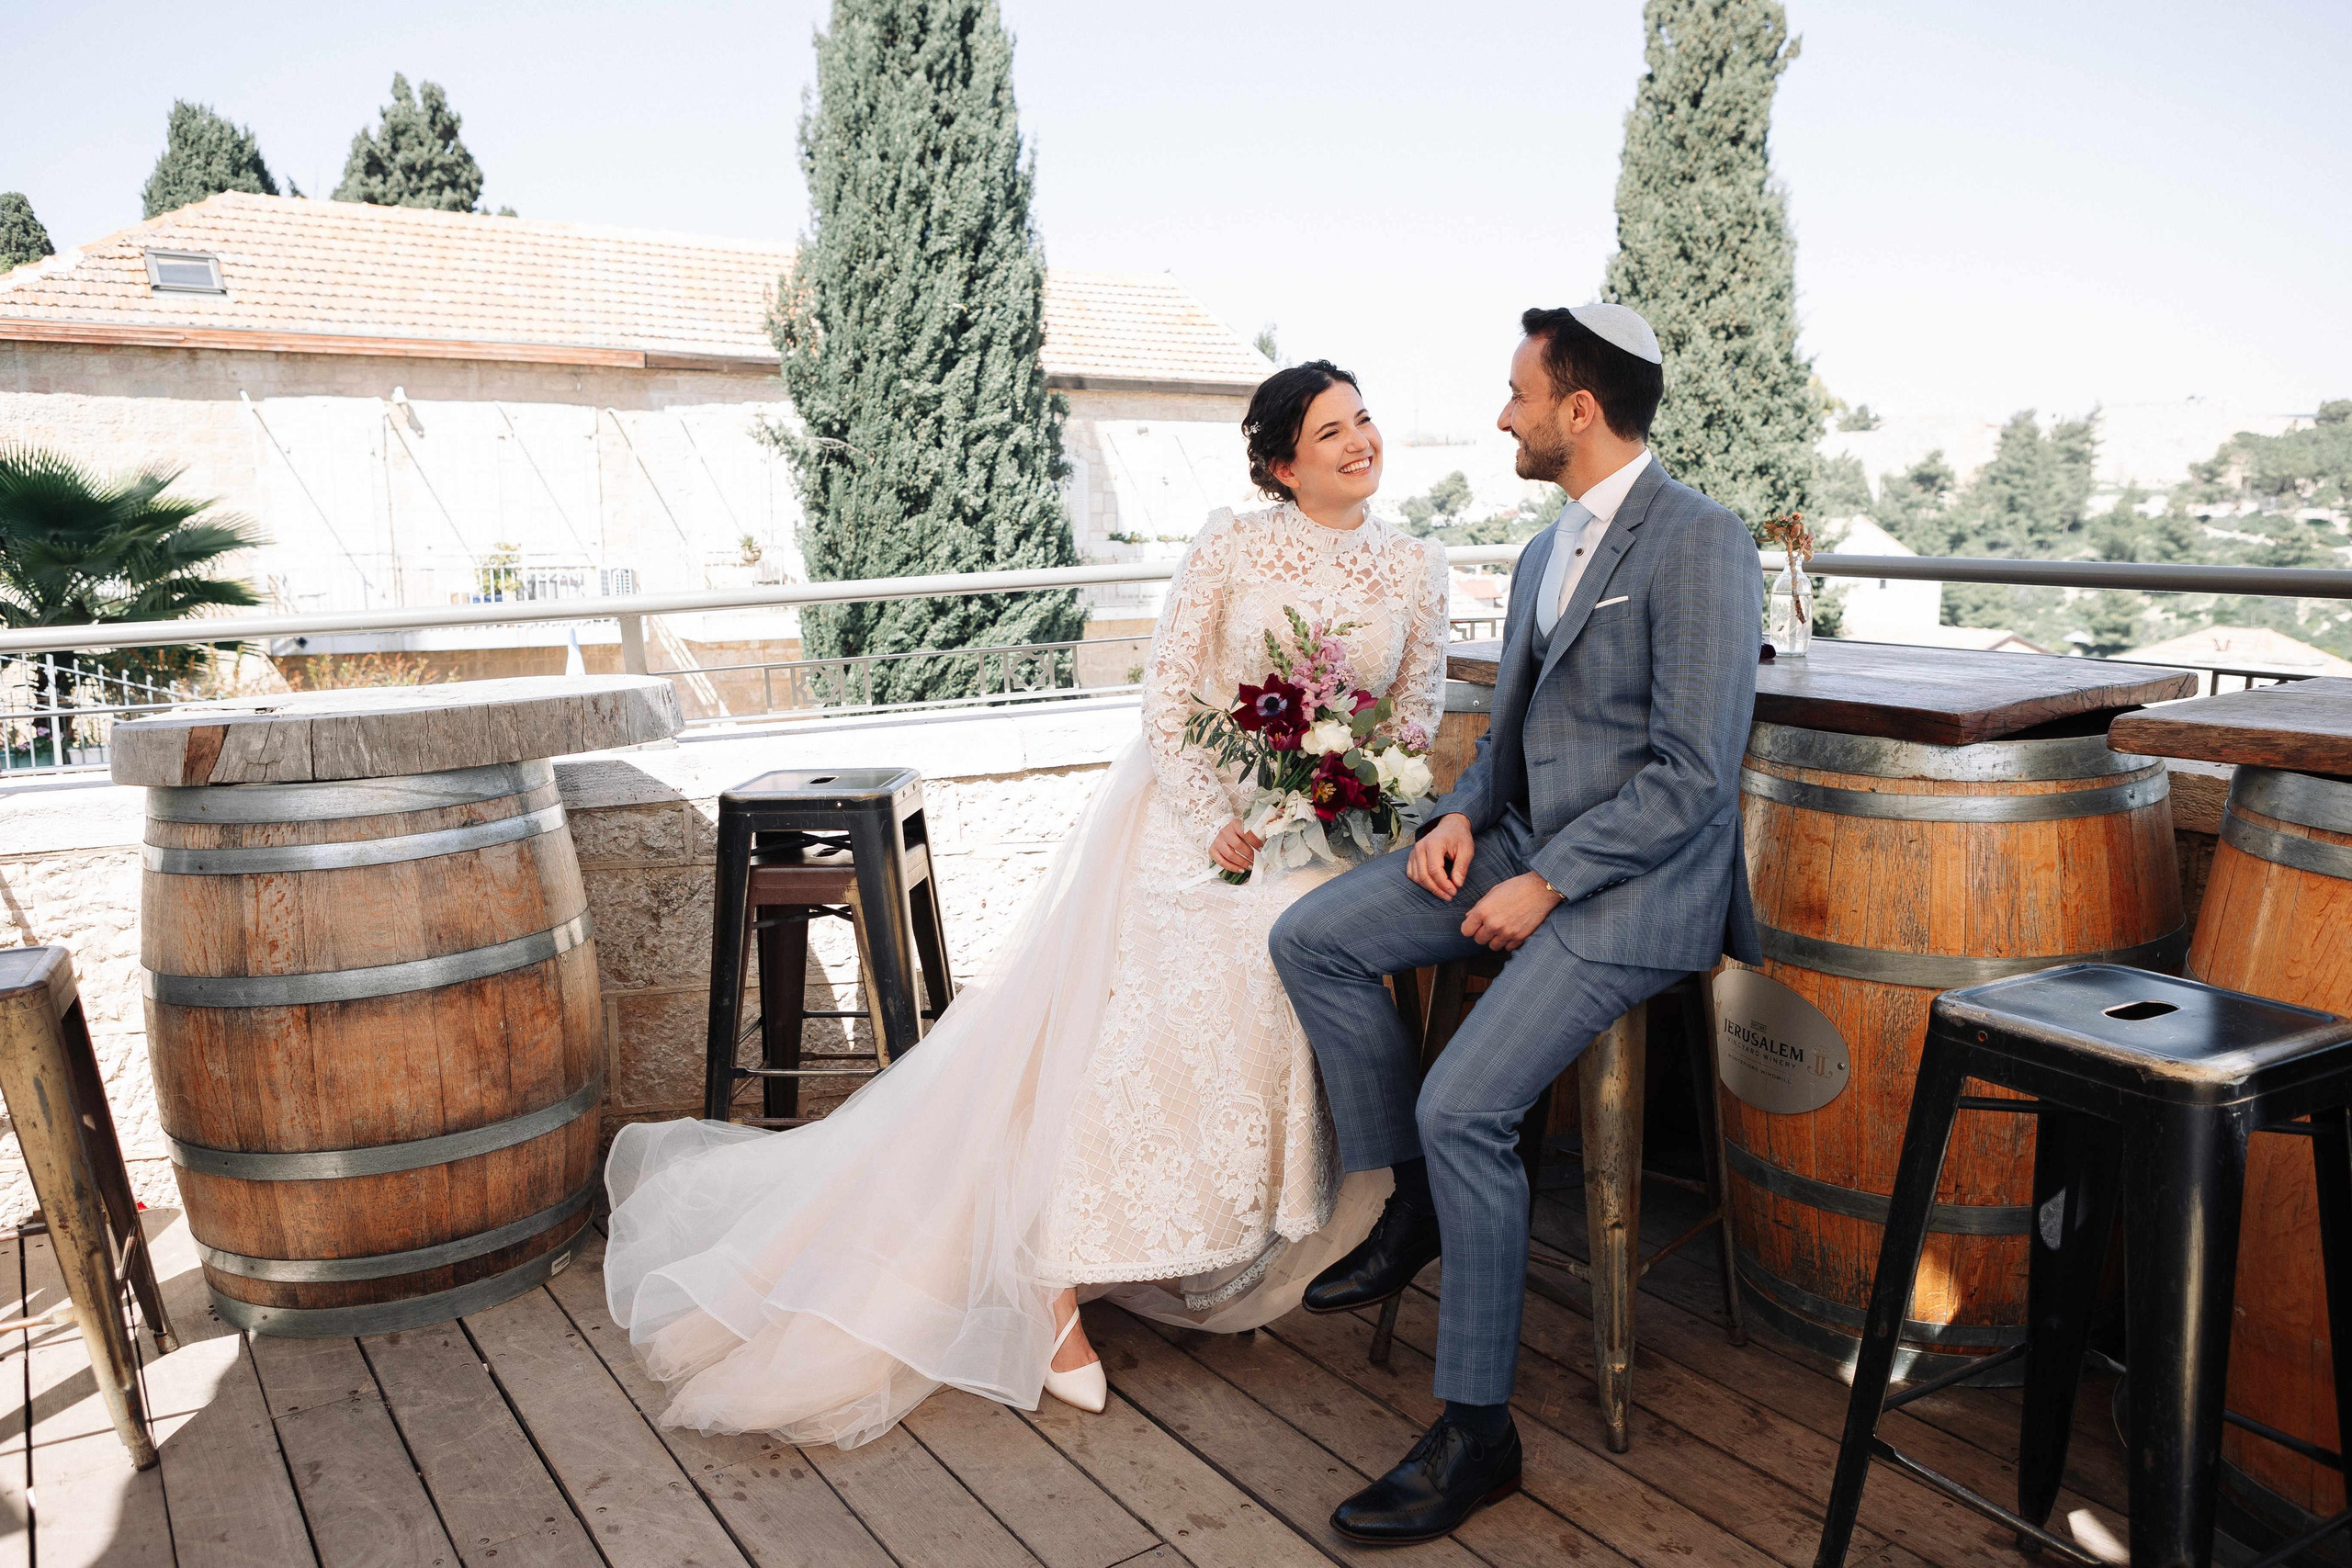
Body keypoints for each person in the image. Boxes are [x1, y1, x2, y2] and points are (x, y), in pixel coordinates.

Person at [603, 360, 1453, 1447]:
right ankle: (1048, 1267)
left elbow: (1414, 718)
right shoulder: (1230, 544)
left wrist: (1343, 795)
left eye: (1365, 417)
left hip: (1319, 833)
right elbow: (1165, 690)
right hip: (1198, 819)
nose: (1359, 441)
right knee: (1198, 966)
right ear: (1283, 464)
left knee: (1292, 959)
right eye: (1331, 430)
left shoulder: (1417, 565)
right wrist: (1216, 822)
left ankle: (1201, 1243)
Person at [1271, 304, 1764, 1545]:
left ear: (1578, 409)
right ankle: (1420, 1204)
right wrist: (1457, 813)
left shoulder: (1702, 541)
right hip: (1520, 841)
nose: (1502, 414)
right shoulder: (1548, 551)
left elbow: (1693, 773)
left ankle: (1477, 1430)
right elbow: (1510, 734)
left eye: (1516, 394)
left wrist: (1549, 881)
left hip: (1640, 887)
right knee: (1314, 938)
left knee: (1465, 1105)